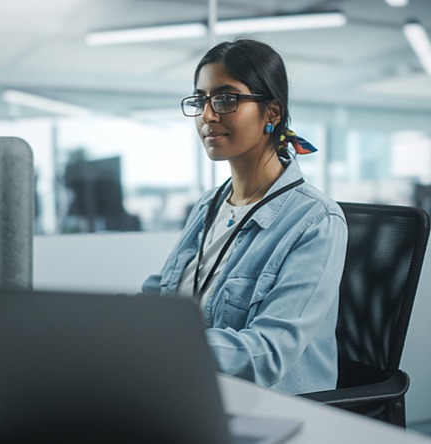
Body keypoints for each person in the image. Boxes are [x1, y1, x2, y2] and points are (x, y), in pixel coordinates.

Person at [142, 38, 348, 395]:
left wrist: (163, 348)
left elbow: (268, 352)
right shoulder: (210, 204)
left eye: (226, 98)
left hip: (272, 408)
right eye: (200, 100)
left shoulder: (317, 221)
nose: (207, 115)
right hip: (196, 390)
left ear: (272, 112)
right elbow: (160, 299)